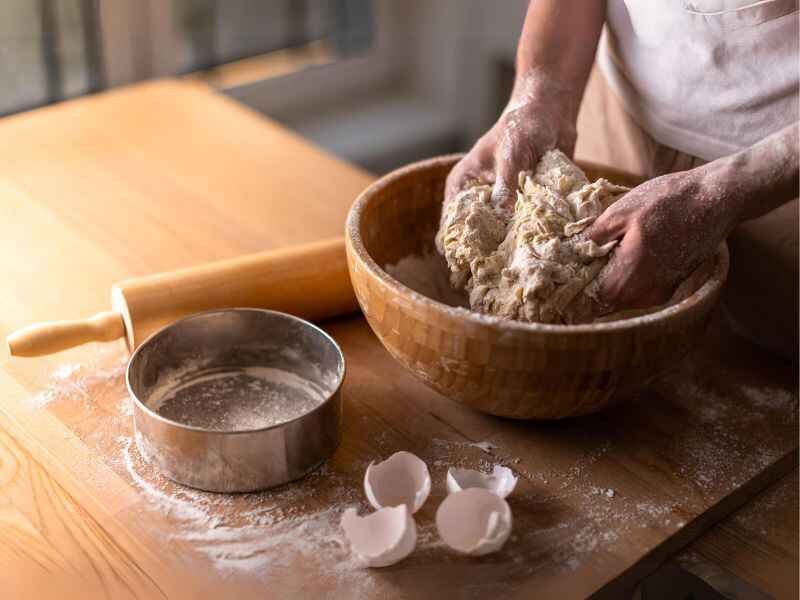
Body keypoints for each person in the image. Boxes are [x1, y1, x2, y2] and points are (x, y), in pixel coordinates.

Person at [446, 0, 798, 358]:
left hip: (779, 182)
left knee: (745, 377)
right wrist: (542, 90)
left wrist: (729, 188)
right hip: (614, 111)